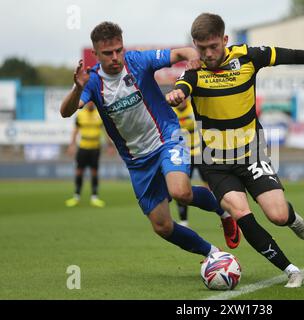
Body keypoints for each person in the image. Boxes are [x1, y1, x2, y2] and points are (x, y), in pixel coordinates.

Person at [166, 13, 304, 288]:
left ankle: (291, 216)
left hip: (251, 153)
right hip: (214, 161)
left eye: (213, 47)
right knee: (242, 213)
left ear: (225, 40)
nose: (207, 54)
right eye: (201, 48)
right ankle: (292, 270)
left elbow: (296, 55)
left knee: (277, 215)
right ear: (195, 44)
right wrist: (177, 94)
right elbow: (183, 86)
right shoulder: (193, 70)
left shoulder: (249, 57)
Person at [60, 22, 241, 262]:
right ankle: (213, 254)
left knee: (180, 192)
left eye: (118, 50)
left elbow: (181, 52)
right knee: (162, 226)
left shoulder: (138, 61)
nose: (115, 57)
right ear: (95, 54)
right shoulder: (92, 82)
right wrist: (77, 89)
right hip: (138, 162)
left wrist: (192, 58)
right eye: (107, 53)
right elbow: (66, 111)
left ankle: (224, 212)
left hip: (167, 138)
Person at [65, 101, 114, 208]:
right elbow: (75, 131)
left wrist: (110, 145)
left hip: (95, 148)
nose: (91, 104)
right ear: (87, 103)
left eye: (93, 102)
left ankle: (94, 197)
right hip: (83, 147)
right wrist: (72, 145)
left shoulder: (99, 114)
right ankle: (76, 196)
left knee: (94, 172)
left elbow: (105, 131)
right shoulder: (80, 115)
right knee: (79, 171)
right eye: (89, 102)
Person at [172, 97, 209, 227]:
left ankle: (226, 214)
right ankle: (183, 221)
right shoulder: (171, 111)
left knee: (213, 185)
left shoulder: (193, 108)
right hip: (184, 155)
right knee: (181, 187)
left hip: (200, 153)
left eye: (182, 99)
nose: (180, 101)